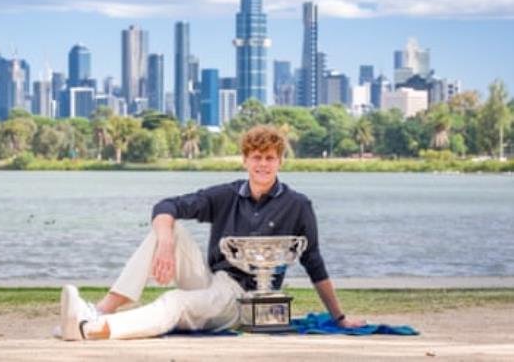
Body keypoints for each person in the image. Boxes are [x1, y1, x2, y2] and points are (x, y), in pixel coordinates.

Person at [58, 125, 366, 341]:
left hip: (242, 295)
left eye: (269, 157)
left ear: (280, 161)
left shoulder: (297, 204)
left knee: (176, 301)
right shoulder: (226, 195)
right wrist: (165, 244)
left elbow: (314, 262)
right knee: (169, 226)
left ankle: (93, 329)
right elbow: (168, 204)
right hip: (211, 278)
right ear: (245, 160)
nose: (262, 164)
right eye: (256, 157)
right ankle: (99, 310)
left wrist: (339, 318)